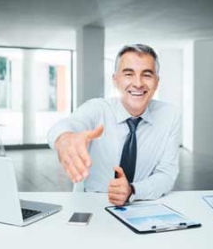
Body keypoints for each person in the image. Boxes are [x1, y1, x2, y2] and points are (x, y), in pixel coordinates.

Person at [48, 44, 181, 206]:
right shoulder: (97, 108)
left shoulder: (170, 116)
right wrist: (64, 138)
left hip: (142, 205)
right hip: (91, 207)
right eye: (128, 74)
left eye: (146, 75)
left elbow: (167, 175)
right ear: (115, 80)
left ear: (157, 82)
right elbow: (68, 124)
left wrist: (133, 190)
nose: (138, 83)